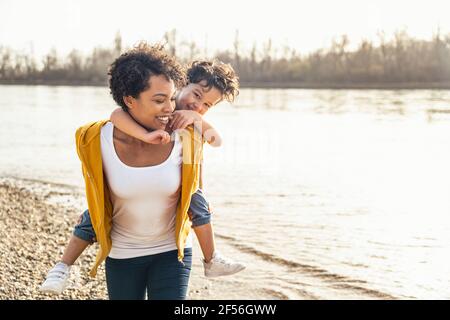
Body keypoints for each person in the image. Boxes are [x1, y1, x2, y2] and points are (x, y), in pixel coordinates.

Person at [39, 43, 243, 299]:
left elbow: (204, 158)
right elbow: (116, 116)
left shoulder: (190, 131)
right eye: (196, 96)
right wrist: (146, 137)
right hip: (123, 253)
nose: (195, 105)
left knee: (197, 200)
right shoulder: (99, 136)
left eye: (207, 105)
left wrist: (198, 121)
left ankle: (211, 258)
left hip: (173, 252)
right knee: (93, 213)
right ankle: (62, 267)